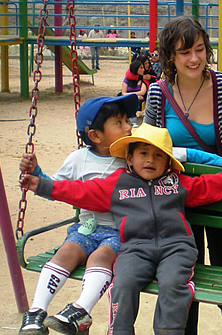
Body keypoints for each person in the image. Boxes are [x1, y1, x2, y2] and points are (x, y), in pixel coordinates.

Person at [21, 124, 222, 335]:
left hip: (176, 248)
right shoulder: (116, 183)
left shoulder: (177, 181)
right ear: (129, 158)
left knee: (173, 283)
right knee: (123, 282)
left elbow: (206, 186)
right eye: (143, 153)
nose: (150, 160)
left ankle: (169, 331)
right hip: (135, 248)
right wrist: (40, 184)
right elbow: (79, 191)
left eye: (158, 155)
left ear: (167, 162)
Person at [144, 16, 222, 334]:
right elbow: (149, 148)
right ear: (170, 56)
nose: (194, 59)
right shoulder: (158, 94)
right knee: (184, 272)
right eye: (184, 52)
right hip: (178, 198)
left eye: (199, 49)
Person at [17, 94, 139, 335]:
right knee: (67, 251)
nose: (129, 127)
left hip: (118, 232)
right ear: (95, 135)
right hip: (86, 229)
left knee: (102, 255)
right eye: (119, 123)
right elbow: (55, 188)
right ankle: (36, 311)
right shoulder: (78, 159)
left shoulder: (131, 158)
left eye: (128, 121)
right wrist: (36, 173)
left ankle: (80, 309)